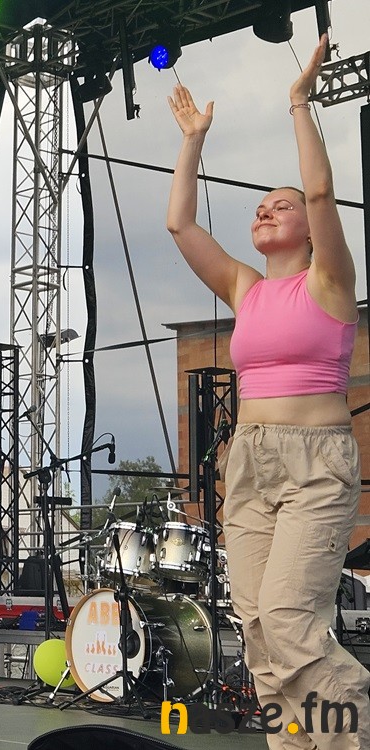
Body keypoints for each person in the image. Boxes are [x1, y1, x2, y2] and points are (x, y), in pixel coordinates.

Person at [167, 35, 369, 749]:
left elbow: (320, 191)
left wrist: (299, 103)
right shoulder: (244, 287)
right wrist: (193, 141)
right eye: (258, 207)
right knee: (257, 629)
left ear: (309, 230)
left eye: (280, 206)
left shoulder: (330, 282)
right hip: (250, 461)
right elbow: (180, 224)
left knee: (289, 620)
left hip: (315, 462)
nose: (266, 211)